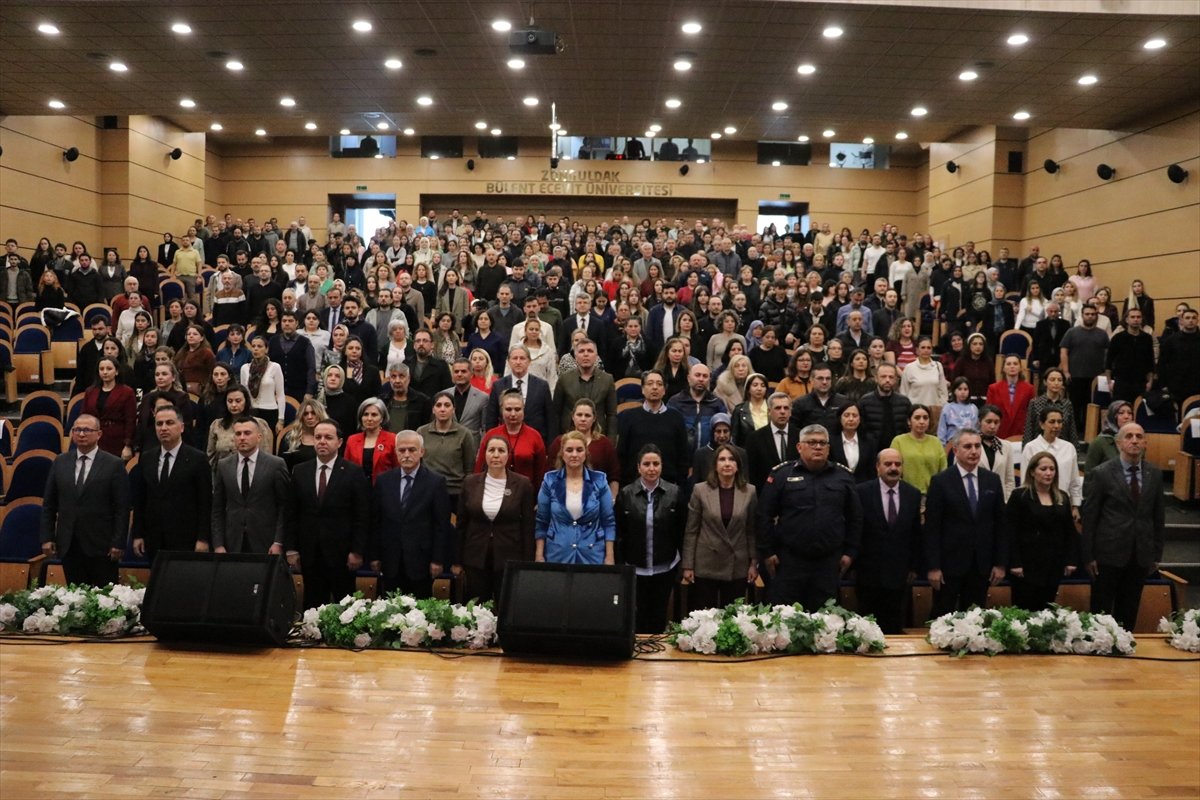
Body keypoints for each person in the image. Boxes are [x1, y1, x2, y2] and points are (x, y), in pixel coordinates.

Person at [757, 424, 862, 609]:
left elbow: (855, 517)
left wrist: (850, 552)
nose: (818, 447)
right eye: (812, 442)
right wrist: (768, 551)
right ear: (799, 447)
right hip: (790, 560)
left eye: (823, 443)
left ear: (829, 448)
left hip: (828, 561)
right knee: (784, 621)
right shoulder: (782, 474)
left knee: (826, 622)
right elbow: (764, 514)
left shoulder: (843, 476)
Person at [1081, 423, 1165, 631]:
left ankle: (1125, 649)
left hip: (1140, 553)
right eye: (1129, 436)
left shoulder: (1154, 474)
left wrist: (1156, 554)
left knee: (1129, 608)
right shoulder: (1102, 473)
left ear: (1145, 443)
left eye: (1139, 436)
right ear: (1119, 443)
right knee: (1101, 610)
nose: (1134, 440)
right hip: (1108, 553)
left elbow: (1158, 516)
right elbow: (1090, 516)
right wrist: (1088, 555)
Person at [924, 428, 1009, 618]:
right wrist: (933, 566)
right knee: (942, 615)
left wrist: (1000, 563)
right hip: (948, 565)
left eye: (977, 446)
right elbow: (932, 528)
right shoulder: (941, 481)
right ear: (955, 450)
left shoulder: (992, 480)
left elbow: (1001, 525)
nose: (974, 451)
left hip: (981, 564)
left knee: (975, 618)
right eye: (968, 446)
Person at [286, 420, 371, 609]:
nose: (322, 441)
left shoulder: (353, 472)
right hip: (310, 552)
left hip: (342, 553)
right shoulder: (300, 471)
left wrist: (357, 551)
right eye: (318, 437)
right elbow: (292, 513)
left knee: (345, 607)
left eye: (328, 437)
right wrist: (291, 549)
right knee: (313, 606)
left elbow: (362, 516)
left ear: (339, 442)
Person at [39, 415, 131, 587]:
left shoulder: (114, 464)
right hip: (69, 543)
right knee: (75, 598)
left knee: (103, 601)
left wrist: (118, 542)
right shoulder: (60, 462)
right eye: (77, 430)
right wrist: (47, 537)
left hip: (102, 545)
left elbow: (122, 508)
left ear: (99, 434)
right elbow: (49, 504)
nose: (81, 434)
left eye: (87, 430)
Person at [371, 430, 454, 598]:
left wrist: (438, 560)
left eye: (412, 450)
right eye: (402, 450)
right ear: (395, 452)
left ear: (422, 452)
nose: (407, 455)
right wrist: (374, 556)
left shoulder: (435, 482)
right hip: (390, 559)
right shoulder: (383, 481)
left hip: (421, 561)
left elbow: (441, 525)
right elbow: (376, 522)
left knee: (419, 615)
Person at [455, 435, 536, 605]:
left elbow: (528, 526)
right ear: (484, 454)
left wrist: (527, 562)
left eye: (501, 450)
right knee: (475, 608)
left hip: (509, 557)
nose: (496, 455)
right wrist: (456, 559)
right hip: (475, 557)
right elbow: (461, 524)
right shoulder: (470, 483)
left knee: (507, 606)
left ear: (508, 455)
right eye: (491, 450)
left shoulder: (522, 484)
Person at [853, 448, 923, 634]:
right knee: (867, 630)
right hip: (868, 573)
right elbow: (856, 530)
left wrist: (914, 566)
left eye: (898, 464)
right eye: (888, 464)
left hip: (899, 574)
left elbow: (916, 533)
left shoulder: (913, 494)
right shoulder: (861, 492)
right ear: (877, 467)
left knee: (895, 628)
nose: (893, 468)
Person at [683, 443, 758, 611]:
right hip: (706, 562)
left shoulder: (750, 491)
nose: (727, 463)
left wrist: (754, 562)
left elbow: (751, 530)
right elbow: (691, 530)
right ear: (715, 465)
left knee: (732, 619)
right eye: (722, 459)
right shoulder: (700, 490)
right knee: (704, 619)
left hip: (737, 563)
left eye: (731, 459)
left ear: (738, 465)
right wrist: (688, 564)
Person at [131, 405, 211, 562]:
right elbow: (140, 500)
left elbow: (205, 502)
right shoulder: (147, 458)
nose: (164, 428)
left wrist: (203, 538)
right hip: (154, 538)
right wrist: (138, 534)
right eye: (159, 424)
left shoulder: (197, 459)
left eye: (169, 423)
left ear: (181, 427)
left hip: (186, 538)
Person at [617, 445, 685, 632]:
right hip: (635, 568)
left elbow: (681, 531)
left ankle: (657, 659)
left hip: (665, 567)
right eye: (646, 464)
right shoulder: (626, 494)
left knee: (659, 615)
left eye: (656, 464)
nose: (651, 468)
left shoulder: (675, 493)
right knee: (638, 617)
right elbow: (621, 533)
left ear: (662, 466)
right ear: (638, 467)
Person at [1007, 452, 1080, 612]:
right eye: (1043, 469)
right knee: (1024, 612)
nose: (1048, 473)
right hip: (1025, 567)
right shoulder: (1020, 496)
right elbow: (1011, 531)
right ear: (1032, 471)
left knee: (1046, 611)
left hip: (1052, 564)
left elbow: (1069, 531)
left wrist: (1070, 559)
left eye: (1052, 469)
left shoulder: (1062, 497)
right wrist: (1014, 562)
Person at [535, 431, 617, 565]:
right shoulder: (550, 481)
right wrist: (539, 555)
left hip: (592, 555)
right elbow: (542, 521)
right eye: (569, 450)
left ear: (586, 453)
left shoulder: (600, 480)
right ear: (562, 453)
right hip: (557, 554)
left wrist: (609, 557)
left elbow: (608, 522)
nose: (574, 454)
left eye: (579, 450)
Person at [212, 418, 291, 554]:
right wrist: (218, 544)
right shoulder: (224, 465)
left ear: (259, 437)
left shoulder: (276, 465)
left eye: (247, 433)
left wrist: (278, 542)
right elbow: (217, 508)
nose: (242, 438)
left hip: (266, 542)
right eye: (238, 434)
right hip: (232, 542)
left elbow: (284, 507)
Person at [485, 346, 555, 445]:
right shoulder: (498, 385)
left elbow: (550, 419)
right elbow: (491, 418)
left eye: (522, 358)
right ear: (509, 362)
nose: (518, 362)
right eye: (514, 358)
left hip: (536, 442)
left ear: (529, 361)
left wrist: (550, 447)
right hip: (506, 442)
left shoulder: (542, 386)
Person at [475, 389, 547, 487]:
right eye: (508, 409)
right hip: (494, 490)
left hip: (526, 493)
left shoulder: (535, 436)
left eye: (517, 409)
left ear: (523, 410)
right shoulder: (491, 435)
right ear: (501, 410)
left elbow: (540, 472)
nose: (513, 414)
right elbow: (480, 468)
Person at [1021, 407, 1084, 517]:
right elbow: (1025, 480)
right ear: (1042, 424)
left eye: (1059, 422)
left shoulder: (1069, 447)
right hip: (1036, 505)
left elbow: (1074, 480)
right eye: (1052, 422)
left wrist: (1075, 506)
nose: (1056, 426)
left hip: (1062, 504)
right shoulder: (1031, 447)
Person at [417, 390, 476, 502]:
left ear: (453, 410)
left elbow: (469, 468)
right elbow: (417, 463)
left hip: (455, 492)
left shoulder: (464, 434)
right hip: (428, 490)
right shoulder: (421, 432)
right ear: (433, 410)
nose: (442, 409)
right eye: (438, 405)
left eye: (447, 405)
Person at [552, 338, 617, 437]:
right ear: (575, 356)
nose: (586, 354)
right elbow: (556, 414)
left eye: (590, 351)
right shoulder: (564, 379)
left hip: (598, 437)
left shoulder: (607, 379)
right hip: (569, 437)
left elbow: (611, 415)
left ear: (596, 356)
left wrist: (611, 443)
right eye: (581, 351)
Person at [81, 356, 137, 460]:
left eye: (109, 369)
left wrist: (128, 445)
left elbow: (130, 420)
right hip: (93, 438)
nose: (105, 372)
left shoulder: (127, 392)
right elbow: (83, 416)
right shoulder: (90, 391)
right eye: (101, 369)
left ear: (116, 372)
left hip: (116, 440)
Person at [745, 391, 798, 488]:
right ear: (769, 411)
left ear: (790, 412)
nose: (782, 411)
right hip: (766, 492)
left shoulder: (800, 436)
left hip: (795, 493)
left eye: (786, 408)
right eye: (778, 408)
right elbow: (752, 472)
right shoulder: (755, 438)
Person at [890, 404, 946, 495]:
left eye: (925, 418)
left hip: (932, 494)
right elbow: (893, 469)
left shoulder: (936, 442)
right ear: (909, 421)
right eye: (917, 418)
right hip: (906, 494)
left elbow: (943, 469)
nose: (922, 421)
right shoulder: (898, 441)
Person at [1105, 307, 1155, 405]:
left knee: (1139, 411)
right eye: (1133, 317)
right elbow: (1108, 362)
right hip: (1121, 382)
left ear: (1141, 319)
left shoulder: (1147, 338)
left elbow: (1150, 361)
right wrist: (1109, 381)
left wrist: (1150, 382)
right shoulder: (1117, 338)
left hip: (1140, 382)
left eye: (1138, 317)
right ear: (1127, 320)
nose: (1136, 319)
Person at [343, 398, 398, 484]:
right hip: (357, 490)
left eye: (374, 415)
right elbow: (346, 469)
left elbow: (397, 468)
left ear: (382, 418)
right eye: (365, 414)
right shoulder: (352, 440)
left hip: (384, 490)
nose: (369, 418)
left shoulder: (392, 439)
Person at [985, 355, 1035, 441]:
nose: (1012, 366)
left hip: (1020, 435)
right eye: (1008, 364)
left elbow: (1031, 414)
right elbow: (988, 413)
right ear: (1003, 368)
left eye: (1015, 364)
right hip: (999, 434)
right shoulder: (993, 388)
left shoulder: (1029, 389)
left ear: (1020, 368)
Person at [1023, 367, 1078, 445]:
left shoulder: (1067, 404)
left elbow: (1072, 432)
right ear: (1045, 382)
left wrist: (1075, 452)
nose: (1056, 383)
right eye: (1052, 379)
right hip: (1039, 448)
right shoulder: (1035, 403)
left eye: (1059, 380)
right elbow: (1028, 431)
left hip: (1062, 448)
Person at [830, 402, 878, 483]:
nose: (851, 419)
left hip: (863, 487)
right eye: (846, 415)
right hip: (837, 486)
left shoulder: (869, 441)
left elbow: (872, 469)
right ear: (840, 418)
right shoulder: (830, 440)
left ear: (860, 419)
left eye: (855, 415)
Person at [977, 404, 1017, 500]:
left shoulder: (1006, 446)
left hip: (999, 500)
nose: (992, 426)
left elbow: (1009, 480)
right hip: (977, 499)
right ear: (979, 422)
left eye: (996, 422)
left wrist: (1007, 502)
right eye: (988, 421)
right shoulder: (971, 444)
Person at [1085, 401, 1134, 473]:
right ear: (1112, 416)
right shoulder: (1099, 442)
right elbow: (1089, 473)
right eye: (1121, 413)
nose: (1126, 416)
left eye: (1129, 413)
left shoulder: (1136, 440)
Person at [938, 377, 979, 446]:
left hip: (970, 443)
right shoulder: (948, 408)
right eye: (959, 389)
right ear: (954, 391)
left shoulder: (973, 408)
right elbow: (942, 430)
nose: (963, 392)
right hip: (953, 443)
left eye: (965, 389)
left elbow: (976, 428)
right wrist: (942, 446)